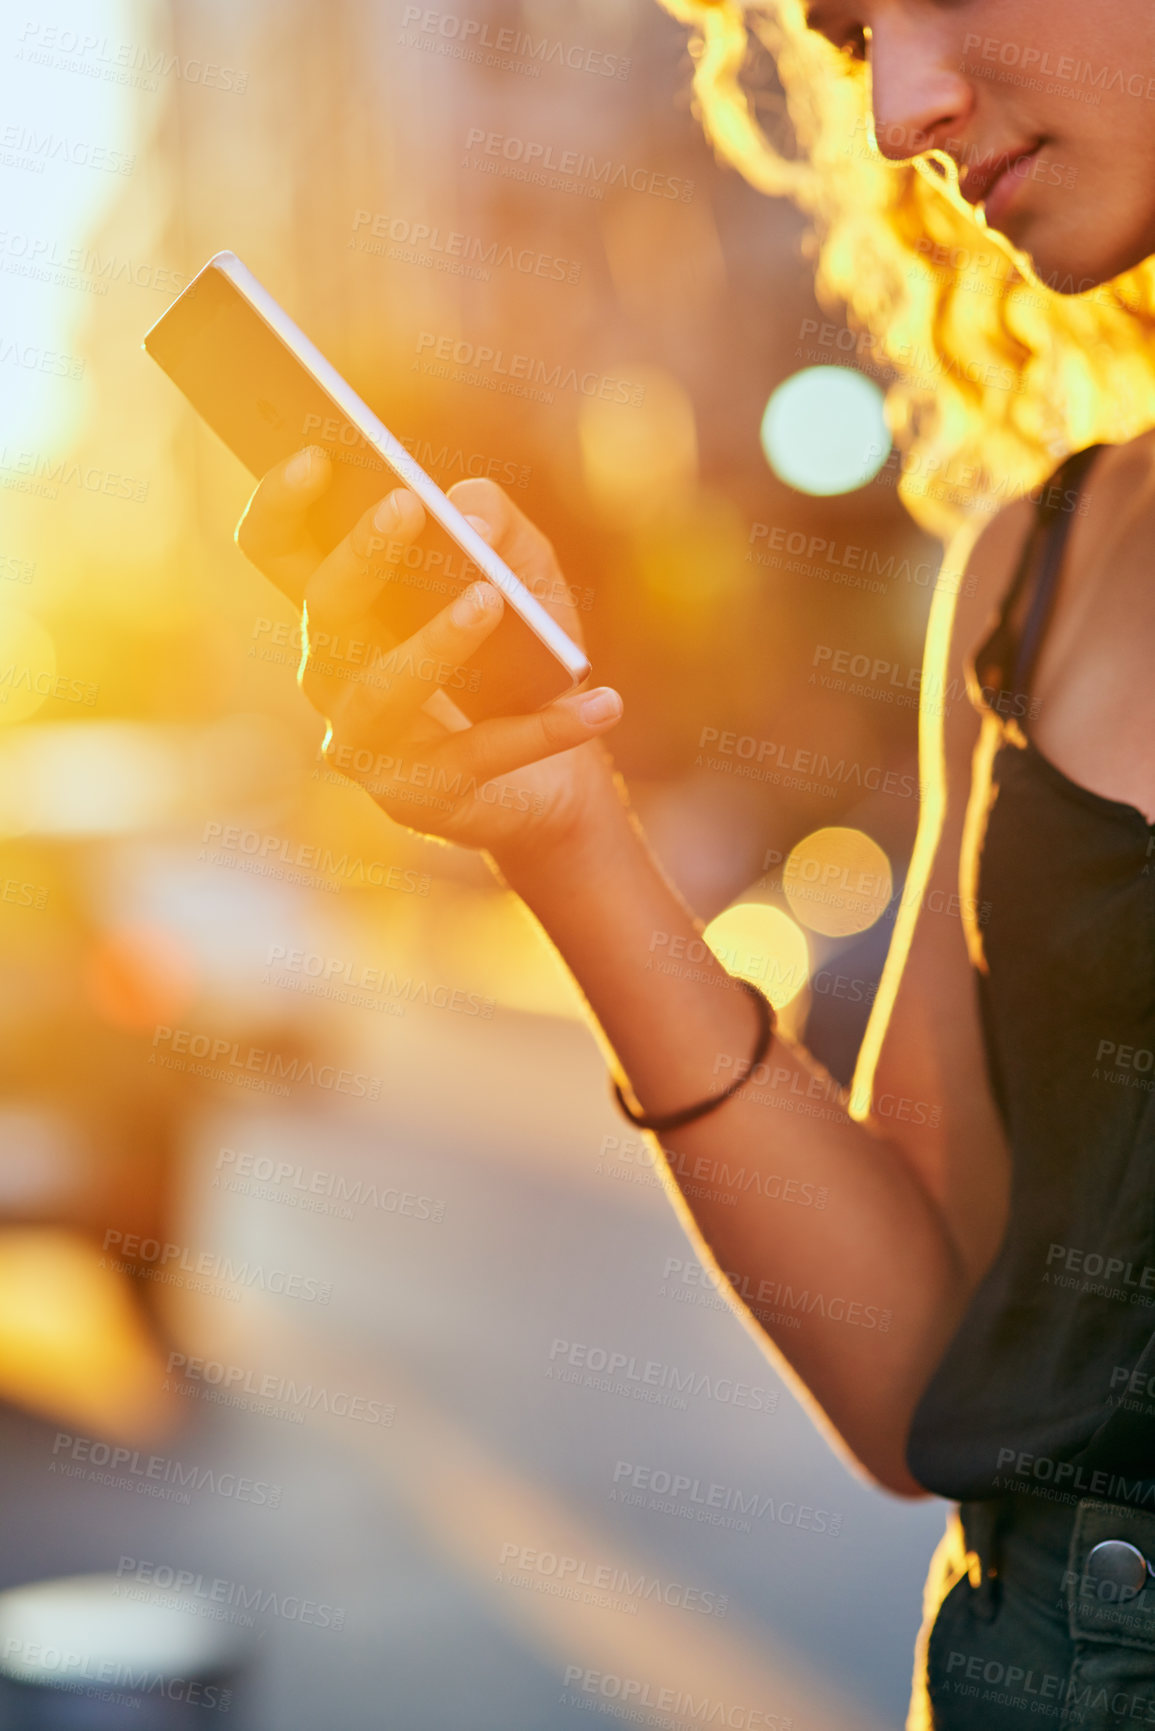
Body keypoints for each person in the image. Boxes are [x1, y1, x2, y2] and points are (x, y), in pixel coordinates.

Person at [233, 2, 1155, 1723]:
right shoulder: (1033, 577)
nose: (899, 111)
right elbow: (922, 1375)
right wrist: (567, 832)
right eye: (851, 33)